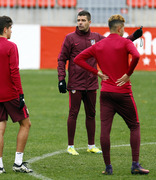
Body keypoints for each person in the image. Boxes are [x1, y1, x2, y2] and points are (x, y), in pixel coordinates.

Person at [57, 10, 143, 155]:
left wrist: (133, 36)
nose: (80, 23)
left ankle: (91, 145)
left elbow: (116, 42)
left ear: (89, 22)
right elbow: (61, 59)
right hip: (75, 83)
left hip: (91, 82)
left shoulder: (96, 37)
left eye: (83, 20)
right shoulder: (70, 38)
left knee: (91, 114)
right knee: (74, 113)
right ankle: (70, 146)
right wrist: (61, 79)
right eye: (78, 20)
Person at [74, 14, 149, 175]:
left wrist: (97, 73)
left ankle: (108, 167)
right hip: (123, 92)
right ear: (120, 28)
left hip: (106, 93)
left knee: (105, 131)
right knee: (134, 126)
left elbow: (78, 59)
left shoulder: (100, 45)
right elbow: (136, 55)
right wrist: (129, 73)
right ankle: (135, 164)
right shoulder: (125, 42)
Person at [0, 16, 33, 174]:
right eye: (11, 28)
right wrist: (21, 94)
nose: (11, 31)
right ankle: (18, 163)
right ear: (5, 29)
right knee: (26, 124)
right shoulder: (11, 46)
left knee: (0, 127)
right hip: (11, 93)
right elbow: (14, 71)